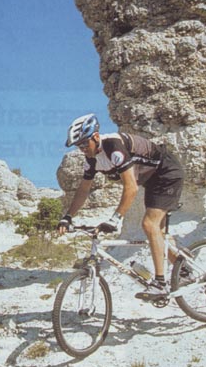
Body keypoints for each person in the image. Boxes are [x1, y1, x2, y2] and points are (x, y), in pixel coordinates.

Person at [57, 113, 184, 300]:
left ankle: (160, 284)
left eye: (85, 144)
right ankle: (184, 270)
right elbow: (83, 190)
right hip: (151, 180)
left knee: (149, 225)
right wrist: (67, 216)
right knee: (158, 234)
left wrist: (116, 218)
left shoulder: (113, 147)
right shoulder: (91, 159)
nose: (83, 149)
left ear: (96, 137)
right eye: (79, 146)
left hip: (167, 172)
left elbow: (131, 187)